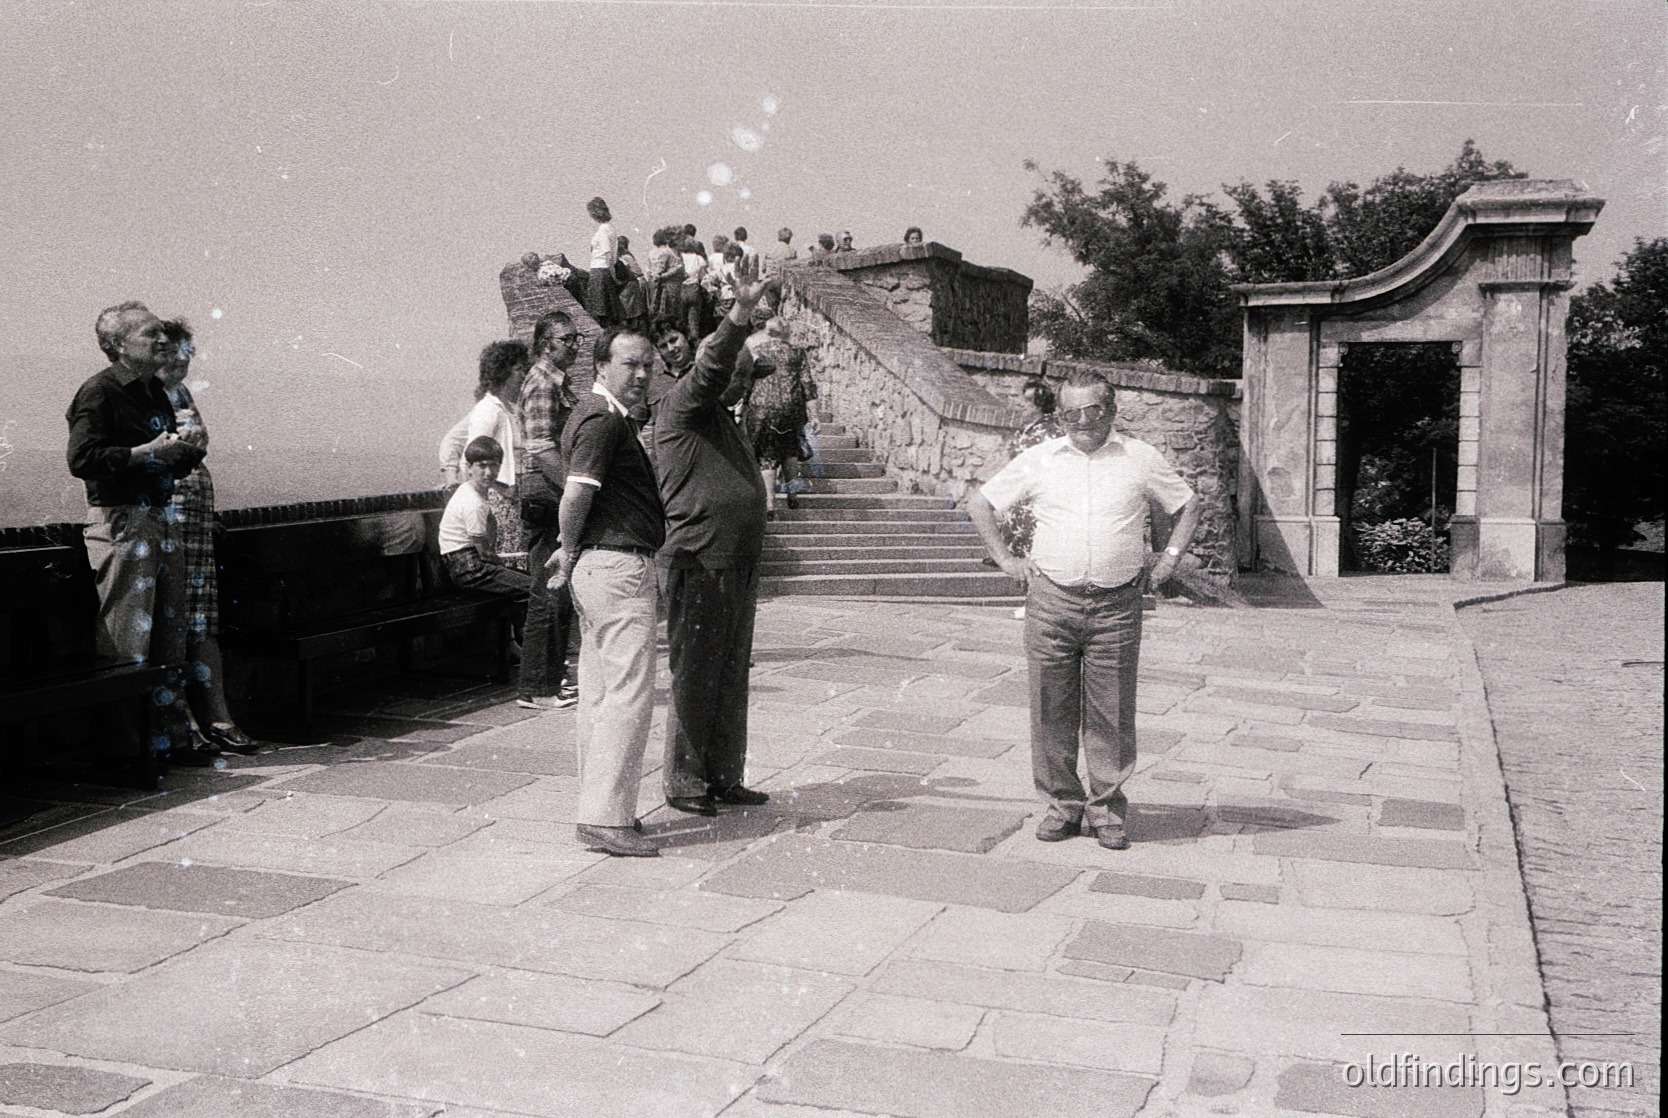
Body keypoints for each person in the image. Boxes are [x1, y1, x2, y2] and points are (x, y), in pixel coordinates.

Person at [967, 370, 1200, 852]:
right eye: (1069, 413)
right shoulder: (1040, 459)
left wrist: (1169, 561)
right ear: (1059, 415)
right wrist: (1007, 561)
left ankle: (1107, 811)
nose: (1081, 421)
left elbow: (1188, 505)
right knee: (1050, 708)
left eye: (1091, 411)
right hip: (1051, 600)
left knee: (1111, 712)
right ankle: (1061, 807)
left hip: (1118, 603)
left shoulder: (1140, 458)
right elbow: (981, 504)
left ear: (1110, 410)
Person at [646, 255, 776, 817]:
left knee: (729, 672)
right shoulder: (681, 406)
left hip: (736, 560)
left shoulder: (721, 417)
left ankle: (724, 775)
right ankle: (685, 782)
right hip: (699, 561)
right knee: (696, 674)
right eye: (732, 374)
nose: (738, 380)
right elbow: (712, 367)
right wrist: (740, 315)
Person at [66, 302, 210, 767]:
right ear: (118, 345)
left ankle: (165, 741)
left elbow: (164, 457)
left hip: (160, 516)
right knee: (127, 640)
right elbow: (82, 459)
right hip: (123, 521)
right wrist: (145, 452)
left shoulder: (153, 392)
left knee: (168, 636)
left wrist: (183, 453)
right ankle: (125, 752)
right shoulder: (100, 391)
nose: (163, 340)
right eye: (151, 334)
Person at [547, 327, 663, 858]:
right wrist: (568, 549)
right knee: (627, 695)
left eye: (648, 366)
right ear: (601, 364)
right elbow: (574, 497)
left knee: (598, 694)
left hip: (601, 567)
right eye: (631, 364)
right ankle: (607, 819)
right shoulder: (602, 418)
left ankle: (597, 810)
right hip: (617, 568)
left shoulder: (595, 415)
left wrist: (573, 554)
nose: (642, 375)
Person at [156, 320, 264, 754]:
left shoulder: (182, 395)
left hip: (197, 526)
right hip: (171, 524)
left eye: (190, 351)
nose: (186, 359)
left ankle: (218, 718)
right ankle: (183, 724)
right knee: (174, 624)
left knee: (204, 624)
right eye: (179, 351)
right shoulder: (144, 398)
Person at [515, 311, 583, 710]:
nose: (575, 344)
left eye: (576, 338)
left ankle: (547, 679)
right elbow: (540, 447)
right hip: (546, 495)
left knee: (556, 589)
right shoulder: (542, 383)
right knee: (548, 589)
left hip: (551, 493)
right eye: (567, 339)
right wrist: (576, 487)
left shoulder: (556, 382)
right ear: (546, 344)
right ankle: (537, 685)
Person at [440, 341, 531, 559]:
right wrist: (497, 490)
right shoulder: (489, 411)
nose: (524, 375)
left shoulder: (509, 407)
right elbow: (472, 456)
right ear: (502, 372)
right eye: (519, 369)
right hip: (500, 500)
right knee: (509, 556)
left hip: (512, 498)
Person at [440, 437, 532, 616]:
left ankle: (522, 634)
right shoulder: (473, 503)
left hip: (466, 566)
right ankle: (528, 638)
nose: (489, 472)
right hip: (469, 569)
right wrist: (505, 568)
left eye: (494, 465)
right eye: (481, 466)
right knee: (534, 588)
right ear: (469, 468)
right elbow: (484, 552)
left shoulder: (470, 489)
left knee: (527, 580)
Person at [1000, 377, 1066, 619]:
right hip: (1019, 504)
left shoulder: (1051, 433)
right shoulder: (1024, 430)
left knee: (1037, 553)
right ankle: (1030, 601)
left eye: (1027, 401)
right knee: (1023, 553)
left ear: (1041, 405)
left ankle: (1037, 604)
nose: (1021, 405)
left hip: (1036, 505)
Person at [586, 197, 619, 326]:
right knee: (603, 309)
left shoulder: (604, 230)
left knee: (600, 310)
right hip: (602, 270)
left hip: (600, 270)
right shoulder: (608, 228)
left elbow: (608, 254)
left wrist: (613, 274)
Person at [647, 227, 685, 324]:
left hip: (677, 289)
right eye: (682, 239)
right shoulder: (666, 253)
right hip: (668, 290)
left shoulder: (678, 254)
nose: (684, 242)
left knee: (677, 315)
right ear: (675, 240)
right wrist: (675, 270)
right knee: (667, 316)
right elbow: (657, 274)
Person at [677, 236, 708, 343]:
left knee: (681, 318)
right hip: (694, 288)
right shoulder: (699, 258)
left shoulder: (679, 257)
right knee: (693, 319)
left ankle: (682, 340)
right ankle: (694, 341)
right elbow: (702, 276)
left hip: (681, 288)